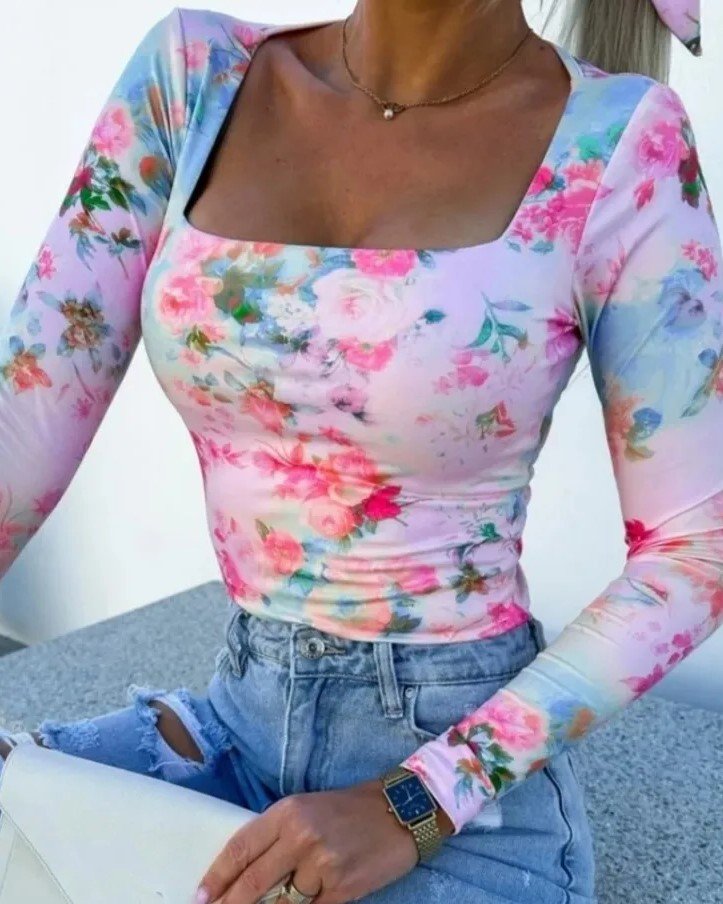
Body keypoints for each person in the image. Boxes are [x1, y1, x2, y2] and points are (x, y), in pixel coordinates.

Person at [0, 1, 720, 902]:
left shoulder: (619, 141)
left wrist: (417, 800)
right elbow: (25, 420)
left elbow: (694, 548)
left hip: (454, 791)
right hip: (232, 723)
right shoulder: (194, 76)